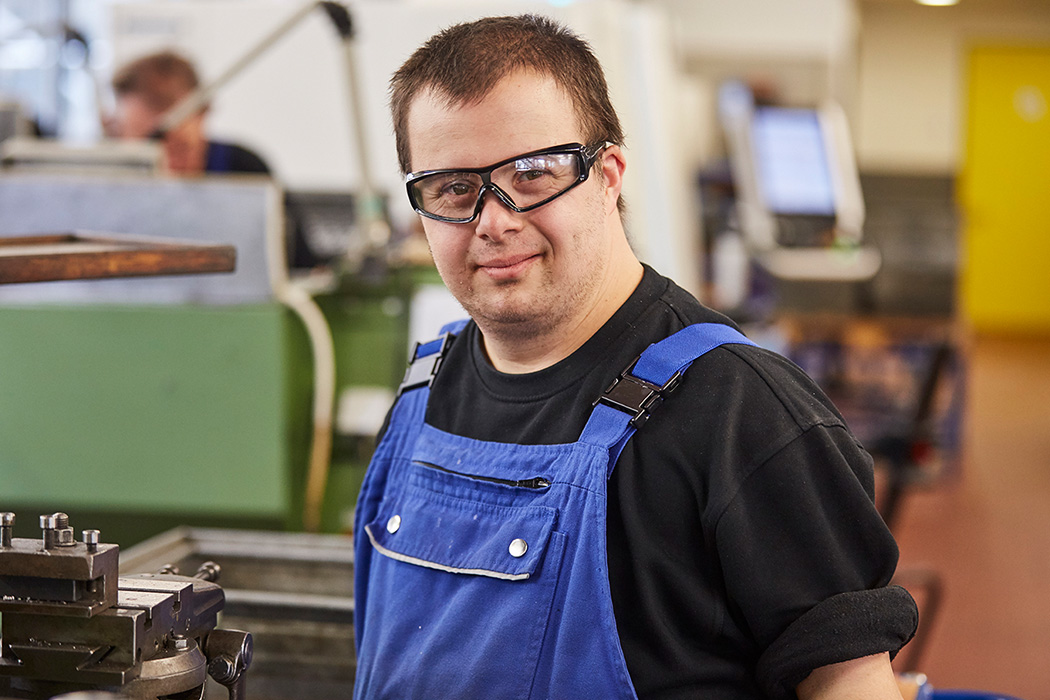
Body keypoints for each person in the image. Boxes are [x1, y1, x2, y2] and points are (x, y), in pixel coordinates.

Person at [353, 14, 917, 700]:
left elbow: (849, 685)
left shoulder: (743, 413)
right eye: (452, 189)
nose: (494, 220)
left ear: (609, 175)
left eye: (532, 174)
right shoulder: (423, 389)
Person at [108, 50, 270, 176]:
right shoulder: (111, 182)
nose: (164, 158)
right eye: (147, 147)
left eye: (178, 148)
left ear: (203, 111)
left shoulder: (244, 169)